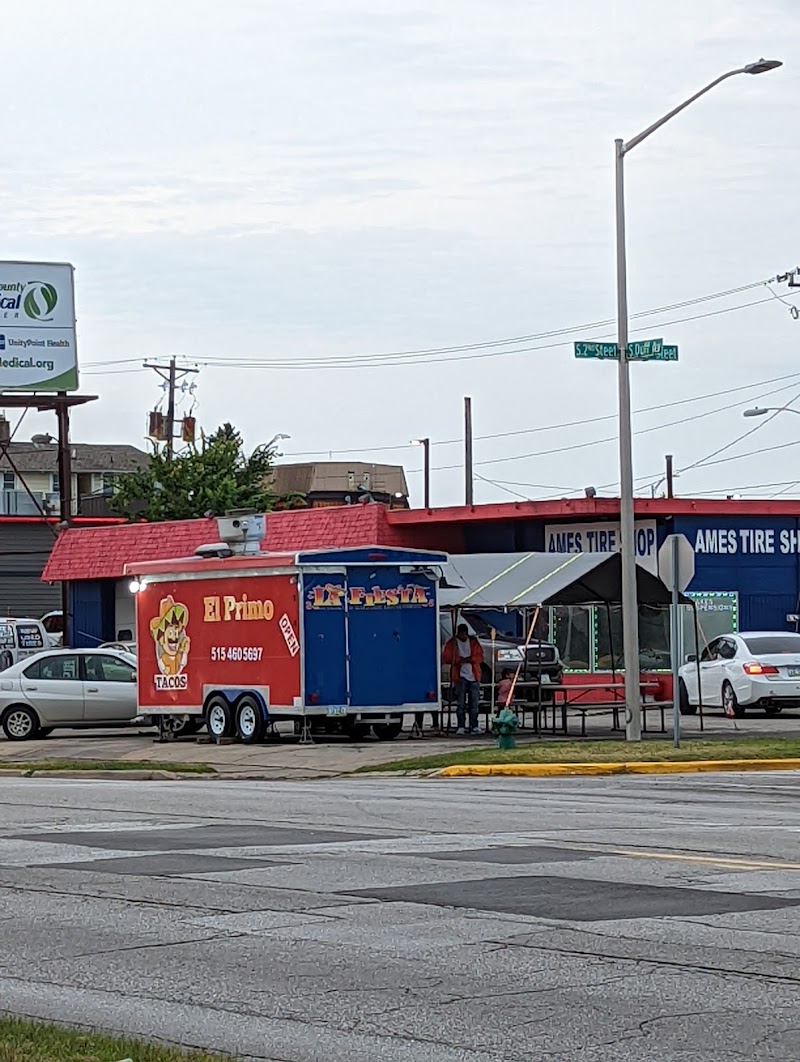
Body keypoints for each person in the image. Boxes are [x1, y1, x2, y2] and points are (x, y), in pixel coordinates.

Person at [442, 622, 484, 735]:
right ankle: (461, 725)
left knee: (474, 704)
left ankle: (474, 725)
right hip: (459, 677)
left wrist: (470, 659)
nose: (463, 635)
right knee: (460, 704)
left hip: (473, 676)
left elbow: (480, 656)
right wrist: (460, 660)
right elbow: (447, 657)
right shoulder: (452, 643)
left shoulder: (474, 642)